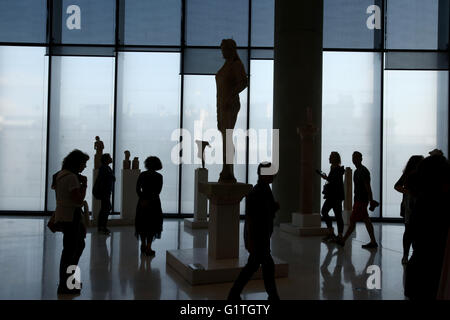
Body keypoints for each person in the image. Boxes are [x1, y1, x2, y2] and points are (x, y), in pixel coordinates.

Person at [228, 162, 280, 301]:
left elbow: (264, 212)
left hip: (261, 236)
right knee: (265, 266)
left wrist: (274, 207)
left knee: (254, 266)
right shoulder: (257, 192)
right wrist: (250, 240)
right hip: (258, 237)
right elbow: (251, 219)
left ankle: (234, 293)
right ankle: (272, 295)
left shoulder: (264, 190)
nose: (273, 176)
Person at [405, 151, 450, 299]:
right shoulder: (440, 203)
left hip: (419, 270)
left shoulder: (422, 201)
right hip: (432, 272)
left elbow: (412, 232)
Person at [53, 149, 89, 295]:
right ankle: (66, 284)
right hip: (71, 215)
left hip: (64, 214)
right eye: (84, 163)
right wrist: (84, 185)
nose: (85, 166)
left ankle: (68, 281)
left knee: (72, 247)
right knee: (72, 249)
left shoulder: (60, 175)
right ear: (77, 163)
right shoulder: (72, 178)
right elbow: (78, 199)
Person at [216, 38, 248, 183]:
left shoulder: (235, 64)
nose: (222, 51)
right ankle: (226, 168)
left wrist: (230, 96)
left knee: (227, 138)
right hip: (223, 105)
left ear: (230, 49)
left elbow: (243, 83)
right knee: (225, 138)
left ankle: (228, 170)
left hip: (230, 105)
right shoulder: (228, 64)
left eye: (224, 48)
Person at [336, 151, 379, 249]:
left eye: (356, 157)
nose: (354, 159)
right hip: (359, 200)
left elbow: (368, 187)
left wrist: (370, 200)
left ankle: (343, 240)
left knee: (353, 220)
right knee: (365, 220)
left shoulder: (363, 171)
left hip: (361, 200)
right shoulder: (356, 172)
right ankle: (373, 241)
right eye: (353, 157)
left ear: (360, 159)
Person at [394, 155, 423, 264]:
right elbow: (397, 186)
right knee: (410, 231)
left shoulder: (415, 174)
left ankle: (408, 255)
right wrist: (409, 192)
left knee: (410, 231)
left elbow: (397, 186)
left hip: (411, 205)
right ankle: (407, 255)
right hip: (410, 206)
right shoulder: (409, 175)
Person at [135, 156, 163, 256]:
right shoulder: (159, 176)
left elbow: (138, 189)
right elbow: (158, 191)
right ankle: (148, 247)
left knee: (142, 223)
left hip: (142, 201)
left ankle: (143, 244)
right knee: (152, 225)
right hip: (154, 202)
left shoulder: (142, 175)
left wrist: (143, 199)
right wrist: (150, 199)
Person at [319, 151, 345, 242]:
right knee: (328, 212)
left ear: (335, 159)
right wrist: (326, 178)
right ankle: (333, 233)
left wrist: (326, 178)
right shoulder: (334, 168)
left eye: (331, 157)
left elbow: (334, 182)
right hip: (333, 196)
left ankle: (338, 235)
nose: (329, 158)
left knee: (336, 215)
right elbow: (333, 181)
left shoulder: (337, 169)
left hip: (336, 196)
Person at [94, 153, 115, 235]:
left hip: (106, 192)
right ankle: (102, 227)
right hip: (104, 192)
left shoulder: (107, 168)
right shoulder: (104, 168)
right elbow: (104, 180)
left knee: (105, 209)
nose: (111, 158)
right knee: (105, 209)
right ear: (106, 159)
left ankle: (102, 227)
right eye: (110, 157)